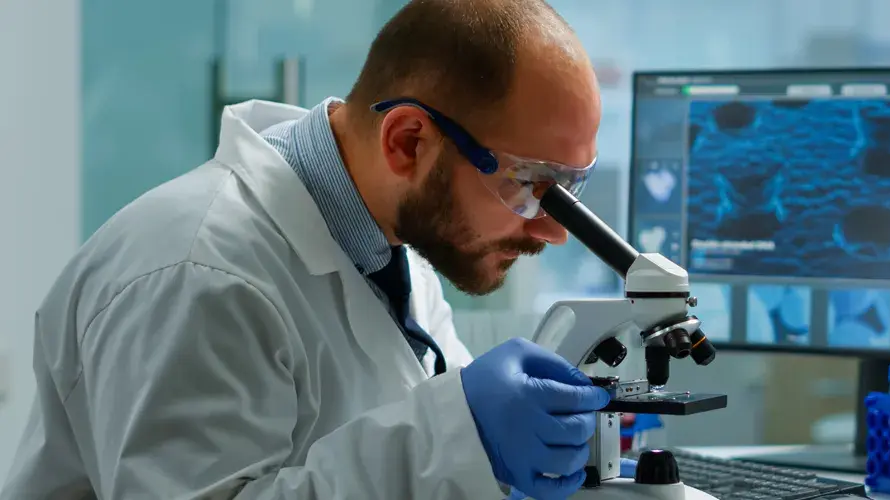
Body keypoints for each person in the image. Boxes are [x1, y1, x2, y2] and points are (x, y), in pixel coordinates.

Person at [0, 0, 614, 499]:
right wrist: (458, 437)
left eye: (569, 192)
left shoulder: (390, 253)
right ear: (407, 142)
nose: (553, 231)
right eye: (529, 186)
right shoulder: (192, 274)